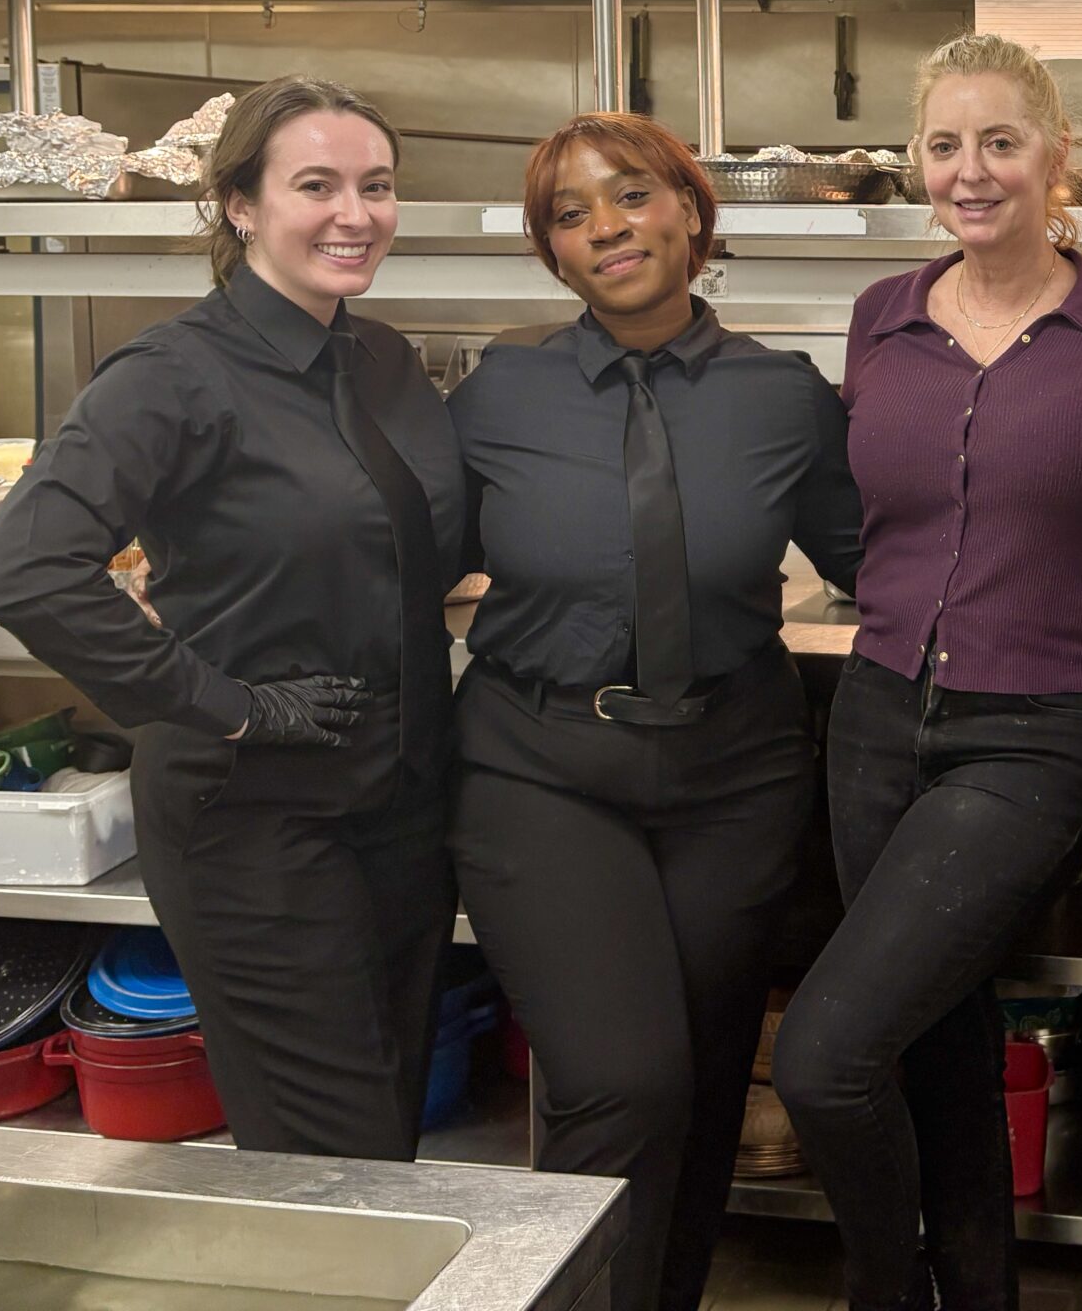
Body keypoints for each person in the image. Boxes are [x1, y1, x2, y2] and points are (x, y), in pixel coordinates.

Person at [0, 76, 460, 1159]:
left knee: (389, 1128)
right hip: (256, 824)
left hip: (400, 812)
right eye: (317, 185)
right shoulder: (172, 373)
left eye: (376, 187)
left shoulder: (378, 358)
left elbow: (410, 548)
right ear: (239, 203)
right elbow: (23, 567)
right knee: (327, 1154)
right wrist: (223, 706)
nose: (355, 214)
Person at [773, 34, 1082, 1311]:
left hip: (1038, 730)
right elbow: (869, 519)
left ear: (1055, 159)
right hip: (877, 710)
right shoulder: (882, 318)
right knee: (934, 1038)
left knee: (827, 1057)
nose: (971, 170)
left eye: (1000, 142)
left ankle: (886, 1293)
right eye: (944, 146)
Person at [448, 112, 861, 1311]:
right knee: (622, 1083)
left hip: (735, 775)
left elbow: (876, 559)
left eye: (627, 196)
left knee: (704, 1081)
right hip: (541, 769)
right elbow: (390, 555)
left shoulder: (784, 398)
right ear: (553, 257)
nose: (605, 230)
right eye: (569, 217)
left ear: (688, 208)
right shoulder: (496, 394)